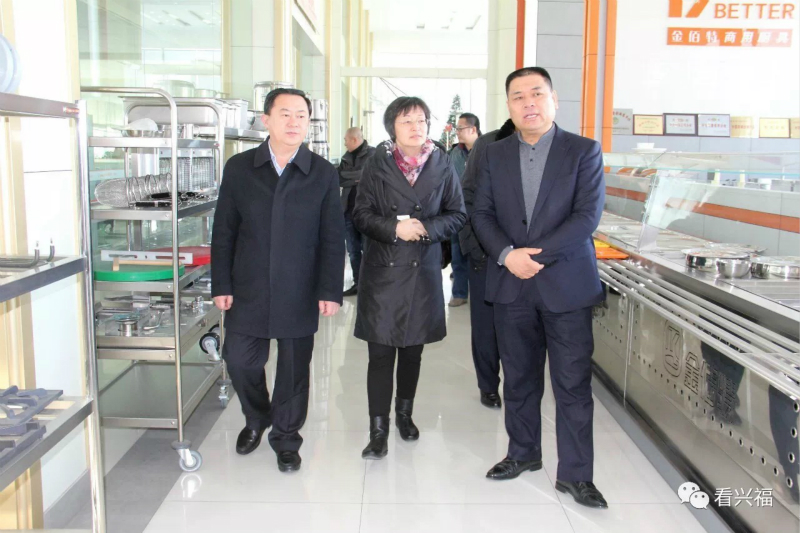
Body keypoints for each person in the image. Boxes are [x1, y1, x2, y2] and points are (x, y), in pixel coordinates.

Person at [472, 67, 608, 508]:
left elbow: (586, 217)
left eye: (536, 93)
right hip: (510, 284)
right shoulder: (493, 155)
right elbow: (481, 213)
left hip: (566, 286)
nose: (528, 102)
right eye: (518, 96)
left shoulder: (583, 151)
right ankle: (523, 453)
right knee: (519, 378)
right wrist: (506, 255)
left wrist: (533, 256)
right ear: (509, 106)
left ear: (553, 100)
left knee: (572, 384)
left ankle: (577, 475)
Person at [211, 88, 345, 473]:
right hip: (248, 285)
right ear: (266, 120)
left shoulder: (322, 172)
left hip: (300, 287)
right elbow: (224, 231)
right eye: (285, 114)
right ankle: (257, 417)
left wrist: (330, 290)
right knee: (239, 359)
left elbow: (332, 237)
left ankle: (286, 438)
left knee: (294, 370)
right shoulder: (240, 168)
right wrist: (221, 283)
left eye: (301, 115)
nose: (294, 122)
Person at [353, 96, 466, 459]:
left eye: (421, 120)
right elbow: (361, 214)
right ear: (392, 128)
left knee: (413, 351)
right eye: (407, 121)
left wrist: (425, 228)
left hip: (422, 268)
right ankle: (378, 430)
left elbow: (457, 213)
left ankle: (404, 414)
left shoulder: (442, 163)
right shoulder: (376, 163)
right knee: (380, 353)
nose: (416, 127)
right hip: (383, 271)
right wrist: (393, 229)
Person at [458, 116, 516, 409]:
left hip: (526, 256)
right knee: (485, 326)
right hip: (487, 252)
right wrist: (477, 248)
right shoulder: (488, 144)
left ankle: (518, 384)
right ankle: (488, 385)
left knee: (519, 326)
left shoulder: (550, 147)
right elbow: (467, 197)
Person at [447, 113, 481, 307]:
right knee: (457, 253)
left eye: (460, 128)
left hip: (480, 211)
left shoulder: (487, 149)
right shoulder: (455, 153)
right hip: (458, 211)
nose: (457, 132)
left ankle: (479, 294)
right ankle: (459, 293)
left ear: (473, 129)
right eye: (457, 129)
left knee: (479, 255)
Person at [338, 127, 375, 296]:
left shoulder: (373, 155)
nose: (345, 143)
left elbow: (368, 176)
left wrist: (353, 177)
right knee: (353, 251)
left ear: (354, 139)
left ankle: (371, 284)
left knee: (369, 250)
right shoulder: (346, 157)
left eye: (346, 140)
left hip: (367, 211)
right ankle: (358, 283)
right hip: (348, 211)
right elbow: (339, 178)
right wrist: (357, 178)